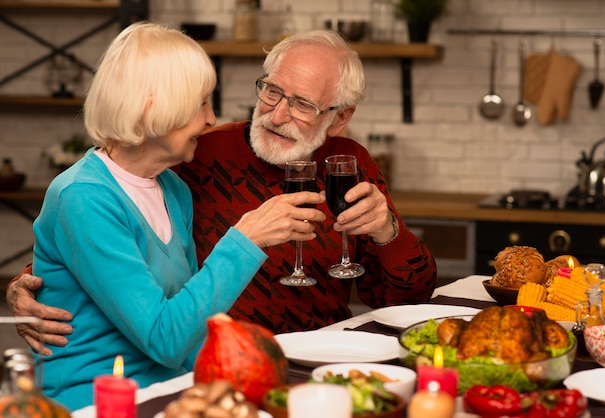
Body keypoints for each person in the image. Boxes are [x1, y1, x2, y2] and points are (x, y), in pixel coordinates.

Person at [7, 29, 437, 351]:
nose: (277, 114)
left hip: (314, 355)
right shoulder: (197, 153)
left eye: (302, 104)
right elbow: (109, 220)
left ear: (339, 118)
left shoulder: (351, 166)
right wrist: (30, 283)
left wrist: (388, 232)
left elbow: (409, 301)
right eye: (271, 91)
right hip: (205, 357)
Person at [23, 22, 325, 411]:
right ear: (154, 108)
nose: (212, 118)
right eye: (201, 103)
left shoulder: (173, 189)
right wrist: (246, 240)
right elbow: (164, 339)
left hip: (170, 389)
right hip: (90, 399)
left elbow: (191, 323)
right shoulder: (82, 198)